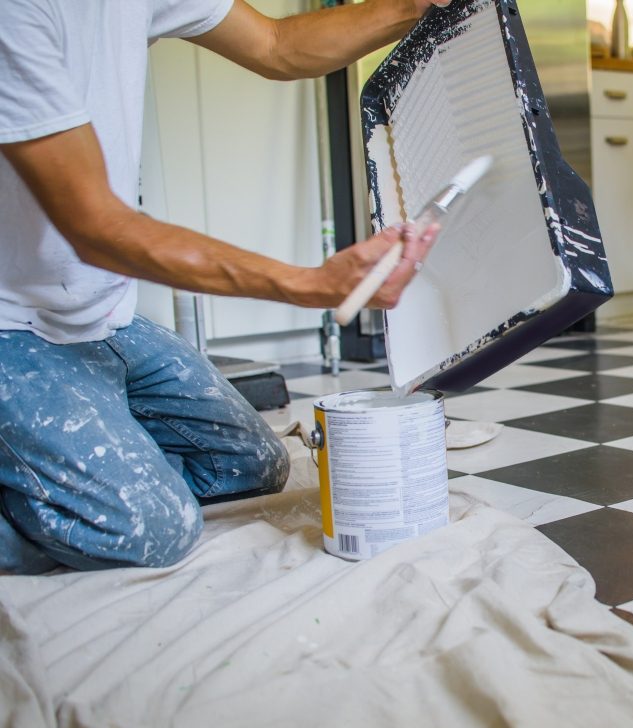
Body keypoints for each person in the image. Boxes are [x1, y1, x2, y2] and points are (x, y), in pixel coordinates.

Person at [0, 0, 451, 575]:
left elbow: (275, 45)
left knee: (247, 468)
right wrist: (309, 284)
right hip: (10, 325)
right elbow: (98, 228)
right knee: (151, 531)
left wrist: (416, 5)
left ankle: (63, 464)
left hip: (94, 313)